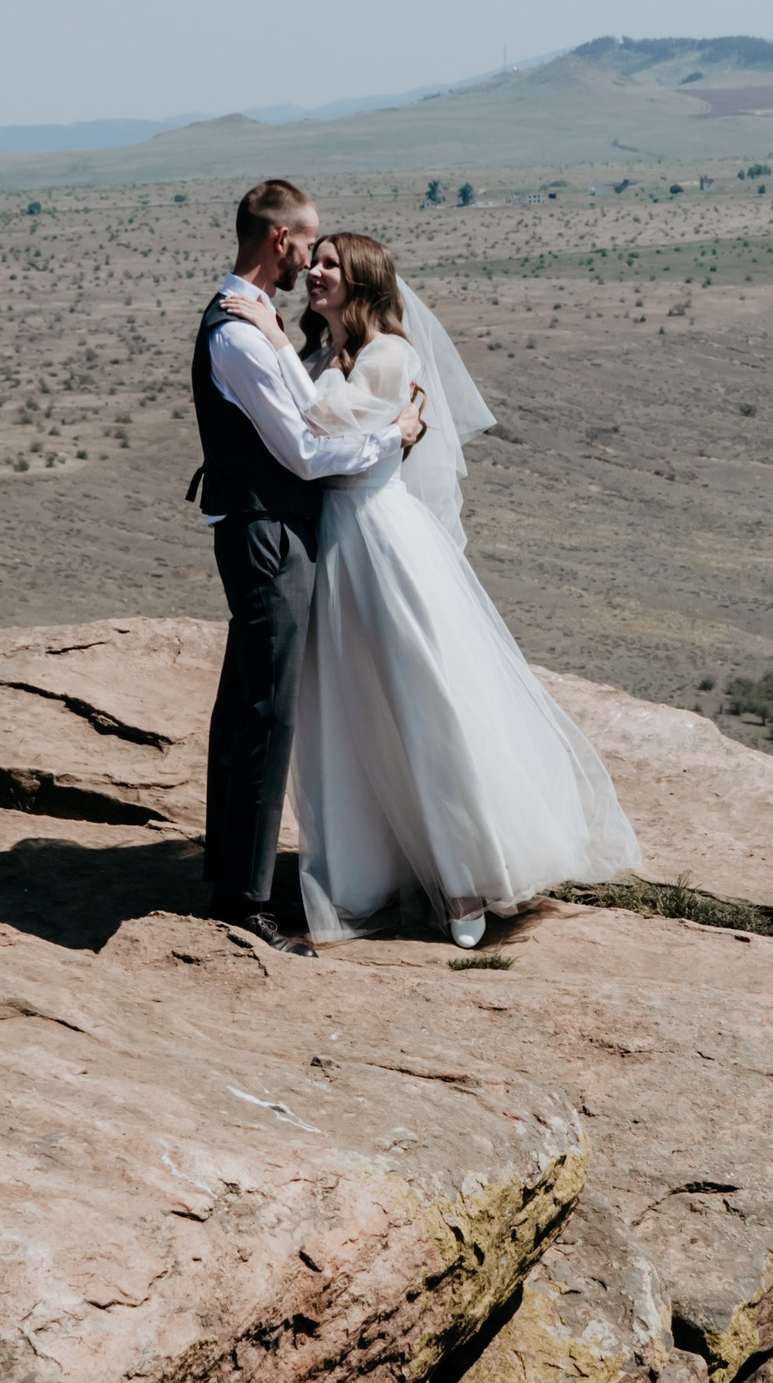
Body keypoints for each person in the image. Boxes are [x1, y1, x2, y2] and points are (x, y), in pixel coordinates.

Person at [217, 231, 639, 945]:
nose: (315, 274)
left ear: (365, 284)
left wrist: (274, 340)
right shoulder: (323, 355)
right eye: (312, 262)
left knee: (424, 702)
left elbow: (322, 424)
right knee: (350, 712)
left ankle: (470, 877)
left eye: (330, 266)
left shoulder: (391, 355)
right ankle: (370, 873)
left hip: (383, 547)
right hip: (334, 551)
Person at [190, 179, 425, 955]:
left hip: (271, 527)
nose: (310, 261)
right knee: (267, 713)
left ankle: (229, 874)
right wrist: (396, 435)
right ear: (280, 242)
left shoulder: (257, 329)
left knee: (251, 706)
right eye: (308, 242)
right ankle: (243, 900)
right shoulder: (238, 334)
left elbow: (305, 414)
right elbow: (305, 450)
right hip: (267, 533)